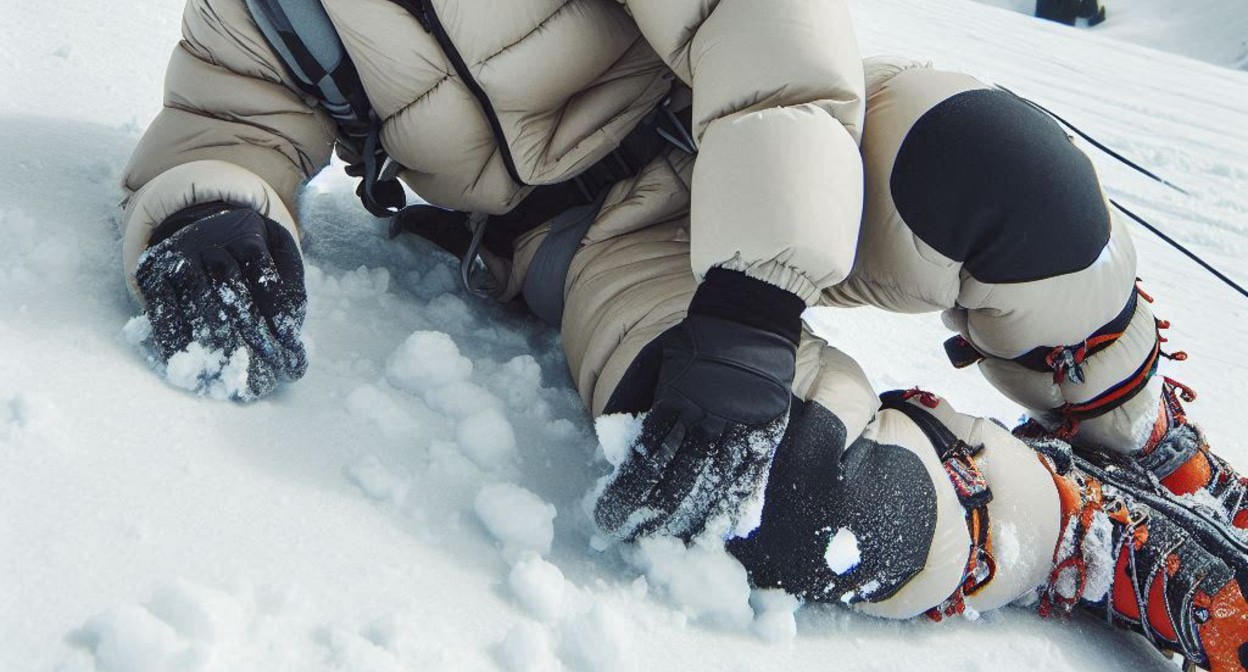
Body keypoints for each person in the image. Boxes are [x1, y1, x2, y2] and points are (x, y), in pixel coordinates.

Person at [119, 1, 1246, 668]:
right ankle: (1067, 526)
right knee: (767, 494)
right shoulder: (268, 8)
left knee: (1007, 174)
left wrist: (755, 300)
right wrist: (210, 214)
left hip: (745, 124)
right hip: (593, 248)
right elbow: (223, 122)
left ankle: (1142, 433)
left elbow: (758, 29)